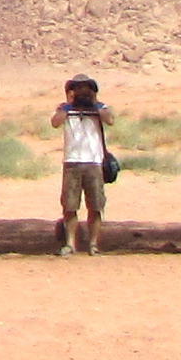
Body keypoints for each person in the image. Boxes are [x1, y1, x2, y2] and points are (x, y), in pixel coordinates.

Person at [52, 75, 111, 256]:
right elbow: (55, 122)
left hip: (94, 162)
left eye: (85, 89)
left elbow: (109, 119)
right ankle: (70, 243)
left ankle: (93, 244)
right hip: (72, 162)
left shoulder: (99, 108)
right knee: (70, 206)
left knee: (96, 205)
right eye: (78, 89)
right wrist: (69, 105)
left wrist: (94, 104)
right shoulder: (65, 109)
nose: (82, 92)